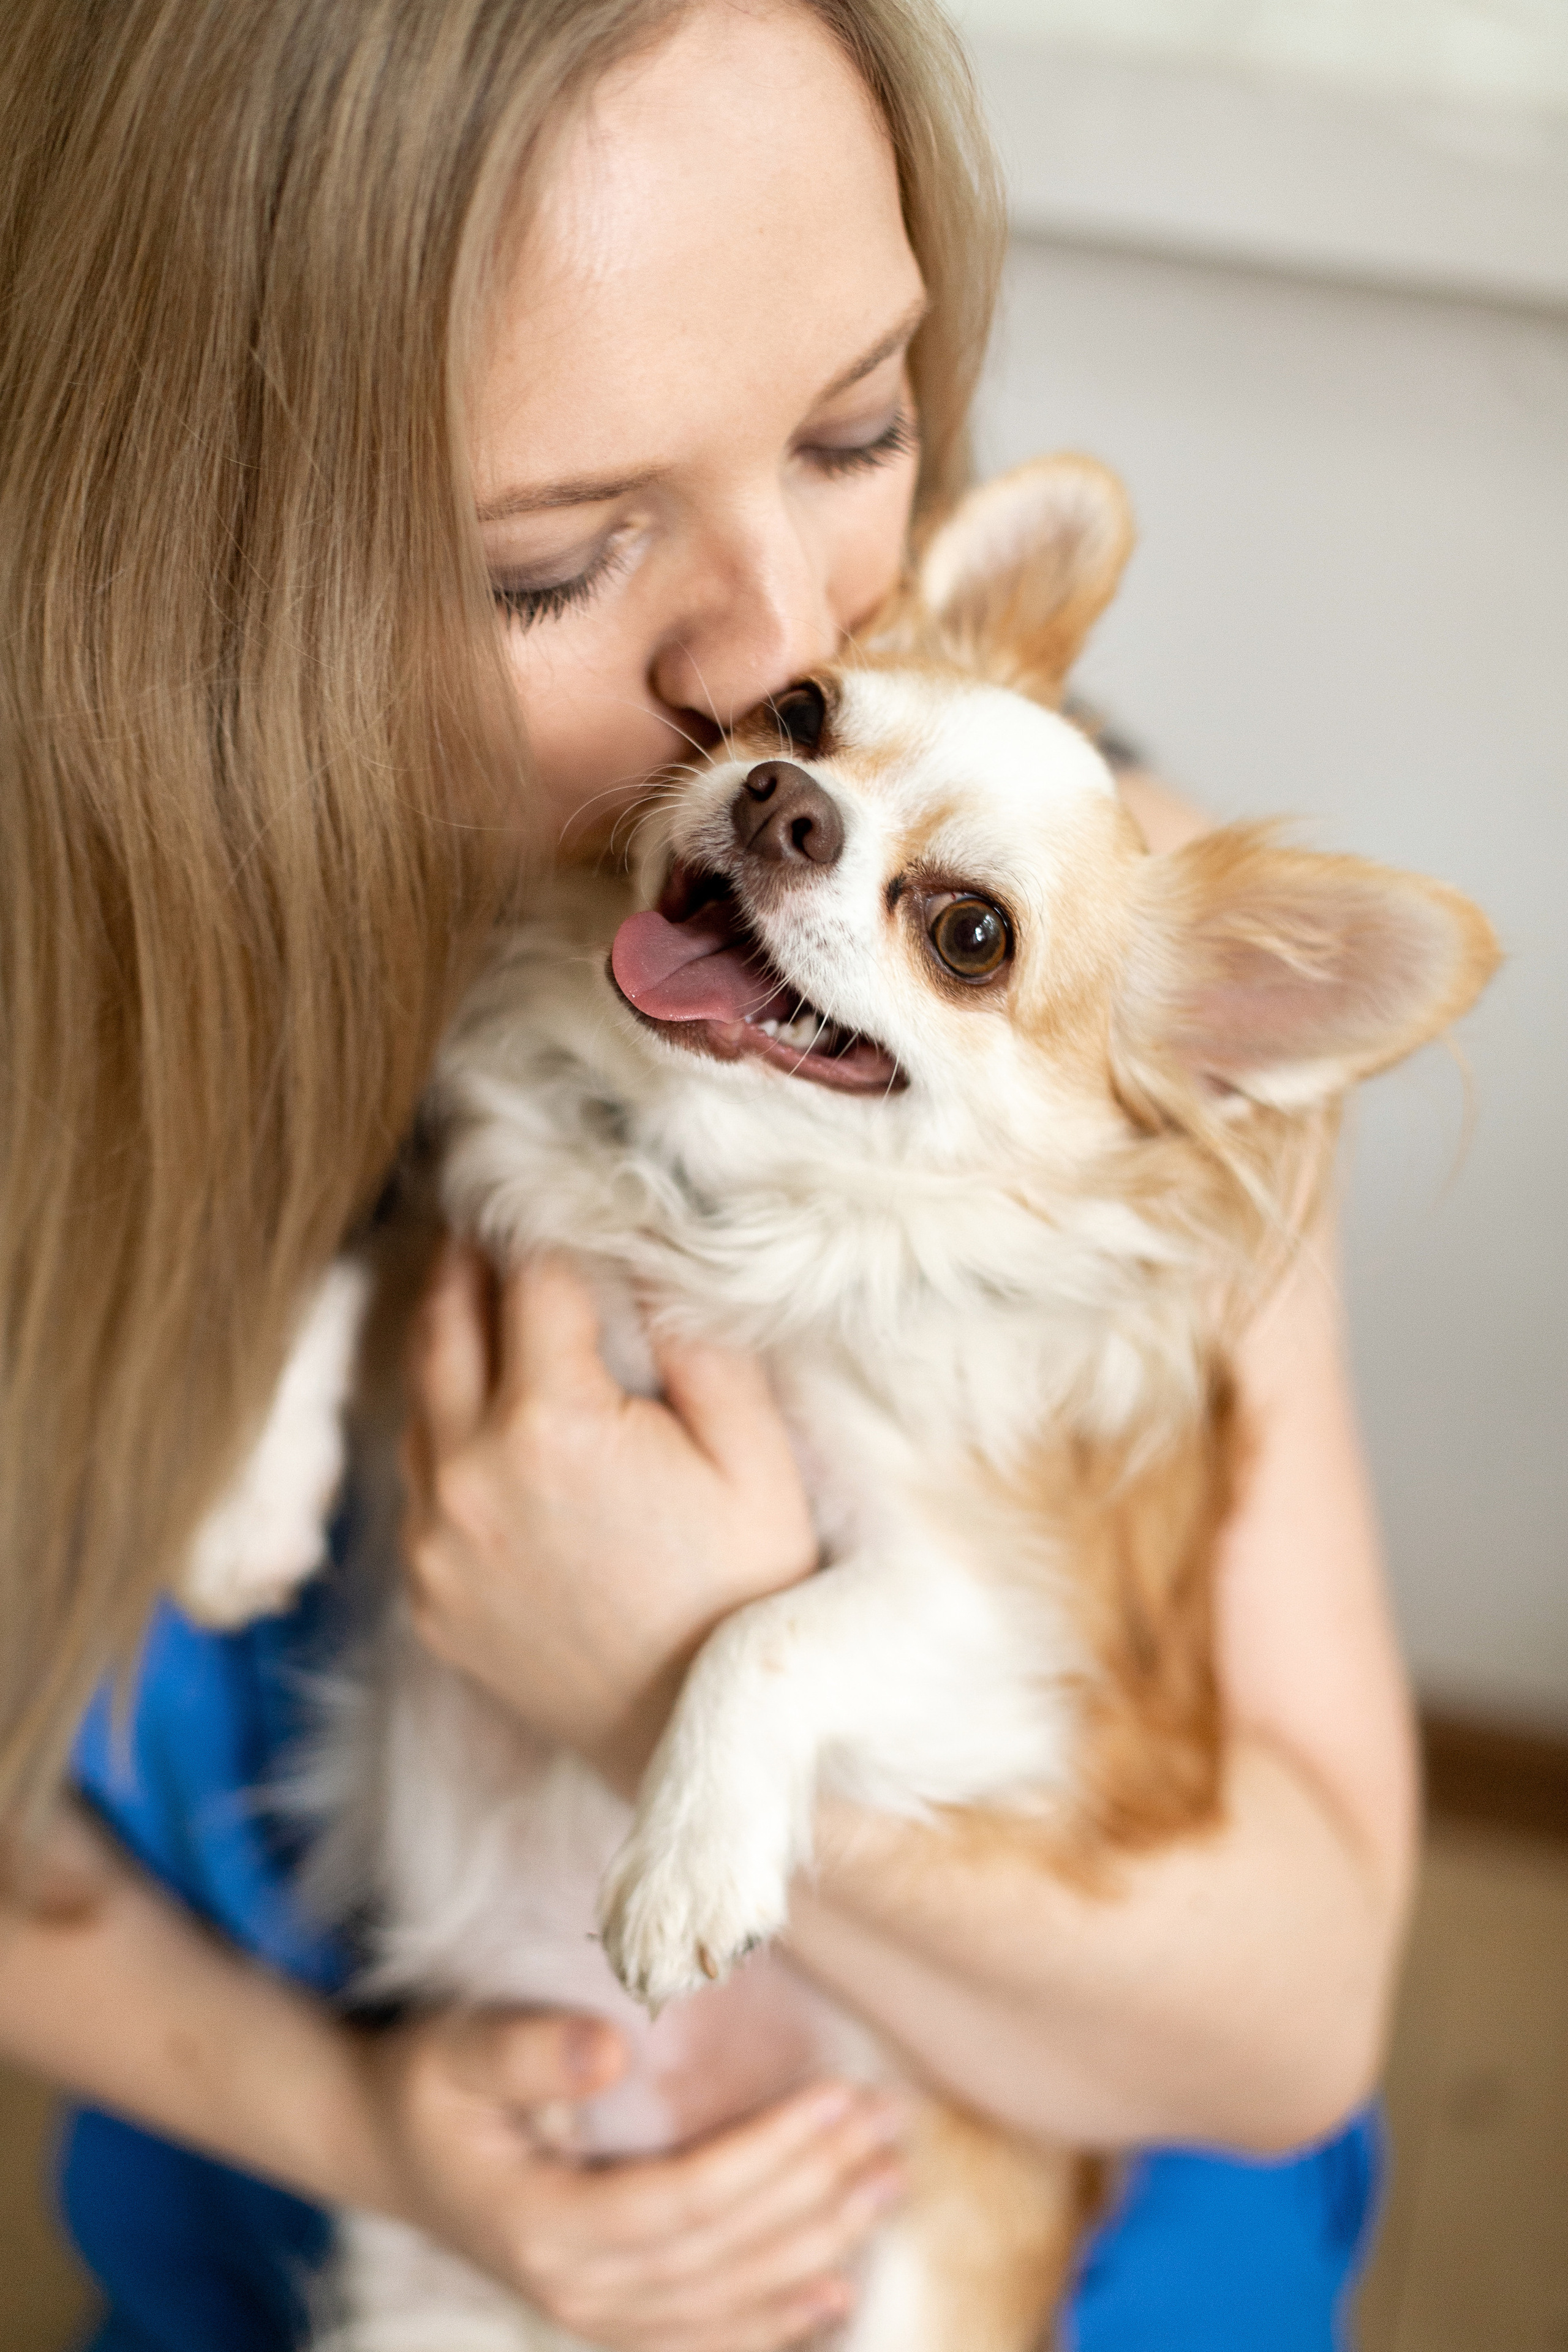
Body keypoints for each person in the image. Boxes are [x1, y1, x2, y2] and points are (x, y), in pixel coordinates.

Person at [0, 1, 1409, 2346]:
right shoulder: (79, 1011)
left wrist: (652, 1685)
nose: (785, 674)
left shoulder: (1115, 1022)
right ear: (177, 577)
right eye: (554, 559)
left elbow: (1288, 2022)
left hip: (984, 2169)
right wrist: (366, 2133)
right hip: (347, 2170)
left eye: (859, 428)